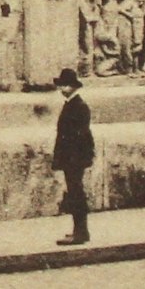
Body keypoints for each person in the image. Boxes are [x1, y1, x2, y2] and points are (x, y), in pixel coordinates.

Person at [51, 66, 93, 245]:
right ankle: (79, 230)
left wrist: (72, 158)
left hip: (74, 158)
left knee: (76, 193)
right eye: (61, 85)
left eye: (65, 85)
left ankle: (81, 232)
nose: (61, 89)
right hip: (71, 157)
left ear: (73, 87)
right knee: (74, 192)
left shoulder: (79, 106)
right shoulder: (71, 104)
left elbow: (80, 135)